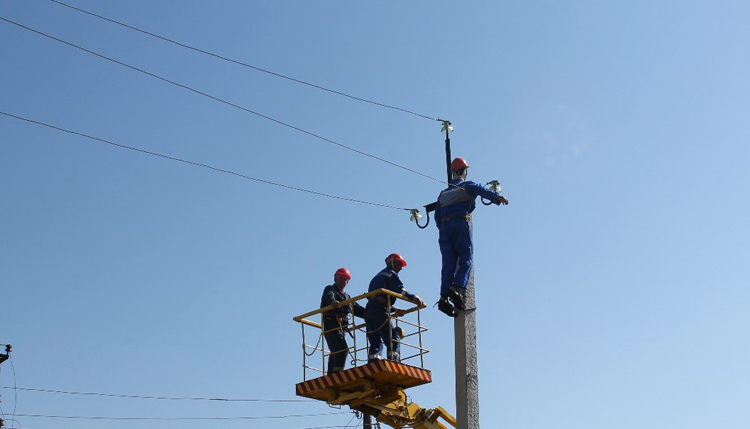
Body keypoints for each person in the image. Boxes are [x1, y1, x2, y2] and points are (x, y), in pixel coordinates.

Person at [434, 157, 509, 317]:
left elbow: (437, 217)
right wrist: (498, 197)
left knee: (448, 264)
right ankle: (457, 288)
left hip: (444, 229)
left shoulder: (443, 194)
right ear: (465, 171)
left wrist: (444, 229)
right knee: (466, 258)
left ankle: (443, 298)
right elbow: (483, 190)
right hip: (460, 224)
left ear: (453, 172)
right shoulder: (468, 186)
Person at [365, 253, 424, 363]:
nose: (401, 268)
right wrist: (414, 298)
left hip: (370, 310)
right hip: (380, 311)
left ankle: (373, 364)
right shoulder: (391, 275)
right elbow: (400, 290)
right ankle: (394, 362)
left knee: (375, 340)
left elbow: (376, 298)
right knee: (393, 338)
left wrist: (394, 310)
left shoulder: (377, 277)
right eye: (399, 264)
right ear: (391, 262)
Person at [320, 267, 365, 374]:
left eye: (344, 278)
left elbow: (358, 310)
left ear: (348, 281)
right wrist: (333, 302)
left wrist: (373, 314)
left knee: (336, 350)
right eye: (340, 277)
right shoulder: (330, 289)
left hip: (340, 327)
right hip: (331, 324)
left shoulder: (347, 298)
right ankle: (337, 374)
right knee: (342, 349)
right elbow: (329, 297)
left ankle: (331, 374)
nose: (342, 280)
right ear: (335, 278)